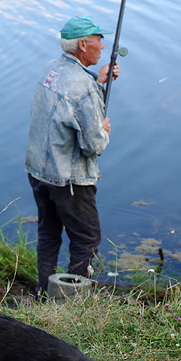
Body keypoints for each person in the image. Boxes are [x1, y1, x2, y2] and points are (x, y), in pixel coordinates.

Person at [24, 16, 119, 294]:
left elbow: (66, 107)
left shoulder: (51, 70)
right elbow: (94, 145)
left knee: (48, 233)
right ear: (82, 44)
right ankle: (72, 303)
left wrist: (97, 81)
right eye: (98, 39)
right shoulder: (84, 88)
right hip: (70, 180)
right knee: (86, 238)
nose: (102, 46)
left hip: (39, 172)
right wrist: (104, 130)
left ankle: (44, 291)